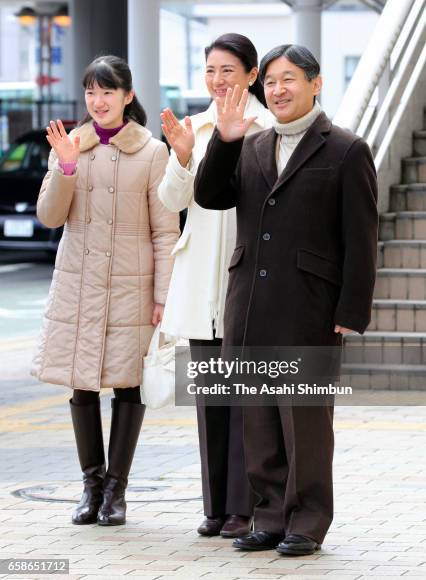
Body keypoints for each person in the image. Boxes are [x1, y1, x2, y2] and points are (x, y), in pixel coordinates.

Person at [194, 44, 378, 554]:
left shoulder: (345, 148)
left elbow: (362, 239)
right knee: (258, 420)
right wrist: (225, 143)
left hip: (309, 307)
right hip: (251, 302)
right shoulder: (250, 146)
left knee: (306, 423)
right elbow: (210, 196)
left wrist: (350, 311)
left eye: (289, 79)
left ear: (316, 84)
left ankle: (308, 521)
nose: (277, 89)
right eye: (270, 81)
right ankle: (269, 517)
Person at [31, 55, 179, 527]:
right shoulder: (69, 145)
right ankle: (90, 486)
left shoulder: (154, 153)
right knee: (81, 384)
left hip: (131, 286)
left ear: (127, 96)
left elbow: (164, 232)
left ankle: (117, 490)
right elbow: (50, 217)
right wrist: (66, 169)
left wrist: (163, 295)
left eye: (108, 92)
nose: (98, 102)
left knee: (128, 384)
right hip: (79, 282)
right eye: (91, 92)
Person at [158, 34, 273, 538]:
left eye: (229, 70)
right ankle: (214, 506)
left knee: (247, 396)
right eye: (210, 70)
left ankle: (243, 508)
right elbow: (170, 200)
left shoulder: (269, 127)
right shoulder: (195, 127)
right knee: (211, 398)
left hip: (247, 276)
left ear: (252, 74)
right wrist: (182, 157)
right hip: (202, 274)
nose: (218, 79)